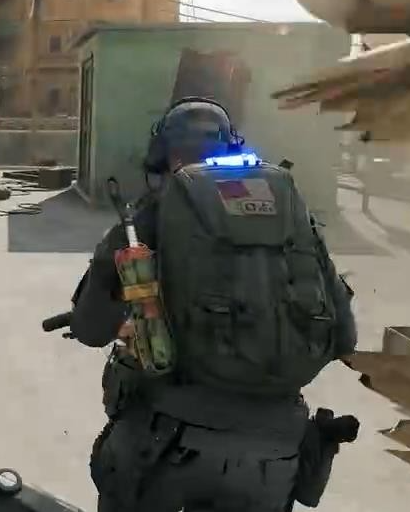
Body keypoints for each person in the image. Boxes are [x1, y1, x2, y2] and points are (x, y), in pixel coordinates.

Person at [70, 97, 358, 512]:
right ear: (231, 146)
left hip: (165, 448)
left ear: (165, 153)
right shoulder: (290, 210)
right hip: (274, 458)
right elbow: (344, 337)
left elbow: (90, 328)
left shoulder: (152, 216)